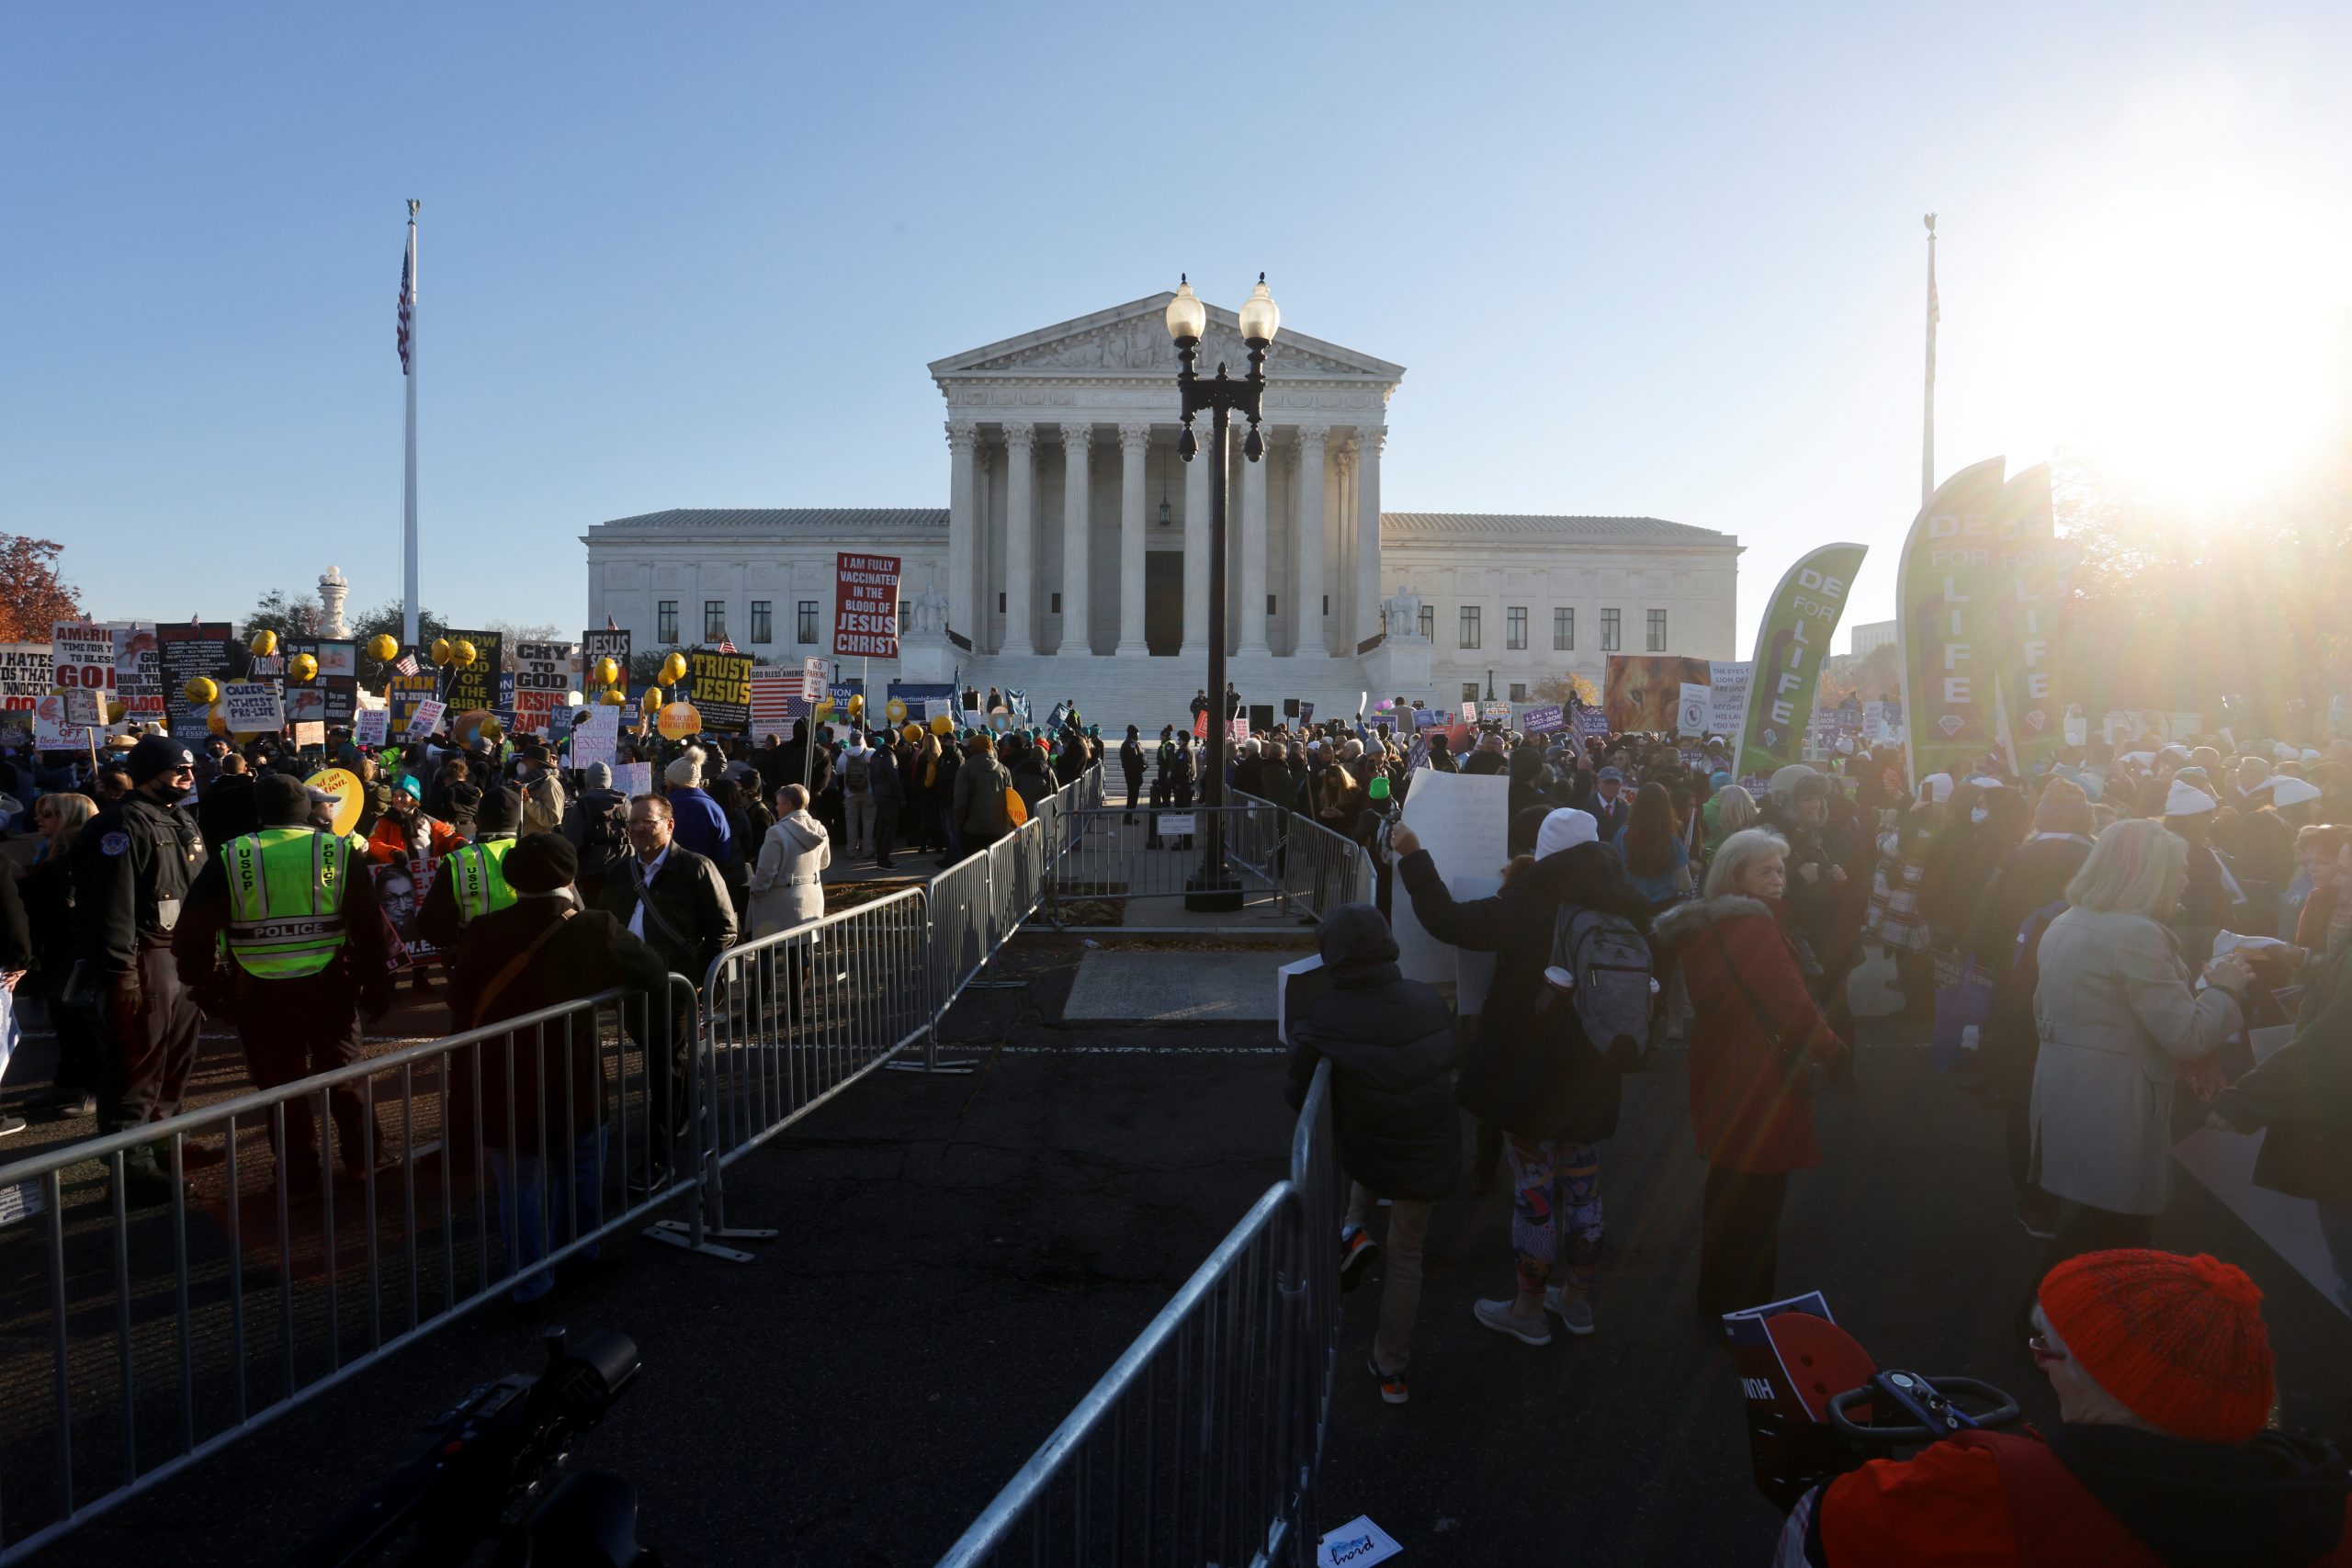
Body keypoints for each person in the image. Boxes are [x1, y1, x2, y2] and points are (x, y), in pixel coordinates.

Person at [1778, 1247, 2352, 1566]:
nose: (2038, 1359)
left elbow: (1817, 1530)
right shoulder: (2329, 1508)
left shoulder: (1983, 1489)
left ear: (2111, 1383)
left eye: (2045, 1345)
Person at [1393, 807, 1651, 1343]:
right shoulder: (1623, 898)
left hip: (1532, 1069)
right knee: (1584, 1187)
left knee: (1534, 1191)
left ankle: (1528, 1309)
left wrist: (1414, 856)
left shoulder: (1532, 898)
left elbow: (1450, 922)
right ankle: (1576, 1301)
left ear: (1546, 850)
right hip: (1598, 1063)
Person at [447, 833, 673, 1309]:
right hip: (572, 1077)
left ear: (513, 882)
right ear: (569, 879)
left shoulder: (483, 930)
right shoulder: (592, 926)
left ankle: (530, 1283)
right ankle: (579, 1255)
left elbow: (460, 1000)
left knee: (519, 1185)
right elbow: (652, 972)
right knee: (581, 1168)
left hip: (502, 1078)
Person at [2030, 818, 2251, 1269]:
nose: (2186, 877)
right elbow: (2187, 1036)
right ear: (2151, 873)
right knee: (2116, 1231)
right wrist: (2224, 989)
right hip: (2116, 1099)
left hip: (2067, 1089)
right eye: (2179, 867)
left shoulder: (2067, 920)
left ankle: (2051, 1320)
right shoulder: (2136, 934)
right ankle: (2041, 1320)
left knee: (2097, 1224)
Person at [1653, 828, 1847, 1323]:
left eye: (1780, 869)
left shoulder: (1710, 927)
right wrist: (1833, 1048)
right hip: (1760, 1077)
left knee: (1728, 1193)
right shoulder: (1753, 928)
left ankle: (1717, 1302)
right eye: (1766, 870)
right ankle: (1747, 1314)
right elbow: (1791, 1002)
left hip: (1722, 1069)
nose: (1779, 879)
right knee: (1758, 1205)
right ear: (1735, 875)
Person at [173, 773, 400, 1190]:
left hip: (259, 992)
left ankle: (299, 1176)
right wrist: (378, 983)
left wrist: (206, 986)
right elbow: (368, 926)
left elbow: (192, 932)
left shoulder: (233, 854)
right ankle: (365, 1161)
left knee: (280, 1089)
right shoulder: (334, 850)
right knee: (345, 1078)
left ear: (262, 811)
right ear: (306, 810)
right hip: (328, 984)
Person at [1285, 904, 1457, 1404]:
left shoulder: (1323, 1014)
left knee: (1369, 1144)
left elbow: (1298, 1094)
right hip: (1431, 1144)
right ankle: (1392, 1367)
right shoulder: (1427, 1000)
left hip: (1371, 1142)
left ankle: (1352, 1231)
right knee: (1408, 1255)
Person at [74, 735, 211, 1204]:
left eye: (190, 769)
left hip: (184, 957)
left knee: (176, 1060)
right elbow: (111, 908)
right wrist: (122, 974)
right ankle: (131, 1170)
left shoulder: (182, 818)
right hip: (145, 956)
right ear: (148, 772)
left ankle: (163, 1145)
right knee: (136, 1067)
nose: (189, 777)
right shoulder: (121, 825)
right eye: (179, 769)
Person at [1967, 778, 2098, 1239]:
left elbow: (1988, 919)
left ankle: (2034, 1197)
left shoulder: (2018, 855)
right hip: (2085, 986)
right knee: (2083, 1090)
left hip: (2020, 982)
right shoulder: (2099, 856)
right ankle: (2089, 1194)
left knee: (2026, 1090)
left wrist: (1983, 964)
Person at [598, 795, 737, 1179]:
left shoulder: (694, 868)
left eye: (649, 821)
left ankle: (660, 1160)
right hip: (629, 985)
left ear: (669, 825)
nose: (640, 828)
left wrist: (698, 982)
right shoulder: (619, 873)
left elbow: (724, 928)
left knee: (662, 1068)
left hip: (675, 985)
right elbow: (608, 924)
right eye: (633, 823)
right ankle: (690, 1106)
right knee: (666, 1060)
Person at [417, 784, 522, 950]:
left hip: (475, 957)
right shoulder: (538, 854)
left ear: (477, 820)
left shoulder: (457, 861)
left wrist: (458, 944)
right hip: (527, 958)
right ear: (518, 821)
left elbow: (430, 925)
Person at [747, 784, 830, 939]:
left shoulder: (775, 832)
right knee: (801, 953)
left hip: (778, 902)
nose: (776, 808)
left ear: (788, 804)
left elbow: (766, 872)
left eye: (778, 803)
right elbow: (824, 863)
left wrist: (756, 892)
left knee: (768, 952)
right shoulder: (820, 828)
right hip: (811, 898)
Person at [1614, 780, 1692, 914]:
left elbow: (1615, 870)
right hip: (1663, 910)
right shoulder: (1671, 841)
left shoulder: (1622, 834)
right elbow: (1686, 885)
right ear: (1666, 808)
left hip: (1630, 907)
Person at [662, 746, 732, 866]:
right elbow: (723, 850)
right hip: (705, 872)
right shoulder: (713, 808)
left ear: (672, 781)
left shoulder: (663, 807)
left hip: (668, 874)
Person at [955, 734, 1015, 848]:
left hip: (972, 829)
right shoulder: (1003, 769)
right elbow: (1010, 800)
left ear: (973, 749)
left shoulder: (965, 770)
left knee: (973, 864)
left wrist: (958, 826)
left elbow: (960, 801)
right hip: (999, 829)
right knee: (995, 865)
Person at [1119, 725, 1147, 822]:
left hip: (1133, 773)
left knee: (1133, 796)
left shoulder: (1132, 743)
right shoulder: (1130, 744)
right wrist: (1140, 771)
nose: (1138, 735)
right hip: (1133, 774)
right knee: (1132, 797)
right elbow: (1133, 761)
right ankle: (1128, 818)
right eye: (1137, 732)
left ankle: (1129, 817)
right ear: (1133, 733)